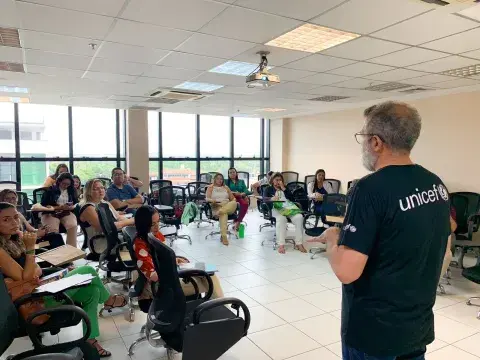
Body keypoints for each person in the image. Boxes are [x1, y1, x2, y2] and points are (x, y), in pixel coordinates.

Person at [309, 101, 450, 360]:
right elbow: (445, 253)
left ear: (376, 142)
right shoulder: (435, 184)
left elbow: (347, 271)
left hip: (373, 334)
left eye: (363, 137)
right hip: (416, 327)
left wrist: (332, 240)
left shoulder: (369, 189)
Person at [0, 202, 127, 357]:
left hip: (38, 287)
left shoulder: (14, 239)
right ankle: (108, 300)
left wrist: (31, 268)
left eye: (15, 217)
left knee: (92, 291)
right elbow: (25, 276)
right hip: (31, 301)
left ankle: (91, 339)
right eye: (6, 219)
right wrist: (30, 249)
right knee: (88, 270)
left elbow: (36, 270)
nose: (14, 222)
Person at [133, 205, 224, 312]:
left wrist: (175, 260)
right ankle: (220, 311)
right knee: (209, 280)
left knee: (207, 274)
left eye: (158, 222)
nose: (157, 227)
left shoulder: (155, 235)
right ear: (143, 225)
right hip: (159, 288)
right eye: (153, 224)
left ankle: (217, 310)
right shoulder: (140, 245)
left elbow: (161, 259)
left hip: (166, 281)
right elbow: (154, 276)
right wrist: (175, 268)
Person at [79, 179, 134, 254]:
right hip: (101, 243)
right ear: (88, 192)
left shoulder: (105, 203)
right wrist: (130, 221)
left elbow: (118, 218)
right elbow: (106, 228)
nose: (101, 191)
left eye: (102, 188)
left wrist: (133, 221)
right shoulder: (88, 208)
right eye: (96, 189)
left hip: (114, 237)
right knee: (138, 240)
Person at [263, 172, 307, 254]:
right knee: (281, 219)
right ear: (272, 181)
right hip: (276, 209)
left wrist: (284, 188)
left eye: (280, 180)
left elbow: (292, 199)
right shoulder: (268, 189)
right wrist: (272, 199)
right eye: (276, 180)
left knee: (299, 217)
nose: (278, 182)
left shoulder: (285, 188)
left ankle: (299, 243)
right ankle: (281, 244)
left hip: (288, 208)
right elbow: (264, 199)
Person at [40, 172, 78, 247]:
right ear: (59, 181)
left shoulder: (71, 190)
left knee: (72, 226)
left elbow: (76, 202)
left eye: (68, 184)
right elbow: (43, 205)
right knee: (53, 230)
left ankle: (71, 251)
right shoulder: (50, 190)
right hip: (50, 213)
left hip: (66, 212)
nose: (66, 186)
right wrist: (59, 207)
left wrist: (72, 206)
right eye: (64, 183)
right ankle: (56, 252)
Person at [205, 173, 237, 246]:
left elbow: (233, 199)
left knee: (234, 203)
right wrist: (213, 201)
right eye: (218, 179)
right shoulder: (210, 187)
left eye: (221, 179)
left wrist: (232, 201)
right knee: (223, 213)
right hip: (217, 206)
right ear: (215, 179)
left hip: (227, 206)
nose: (220, 180)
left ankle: (220, 212)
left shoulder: (226, 187)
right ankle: (224, 236)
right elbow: (207, 199)